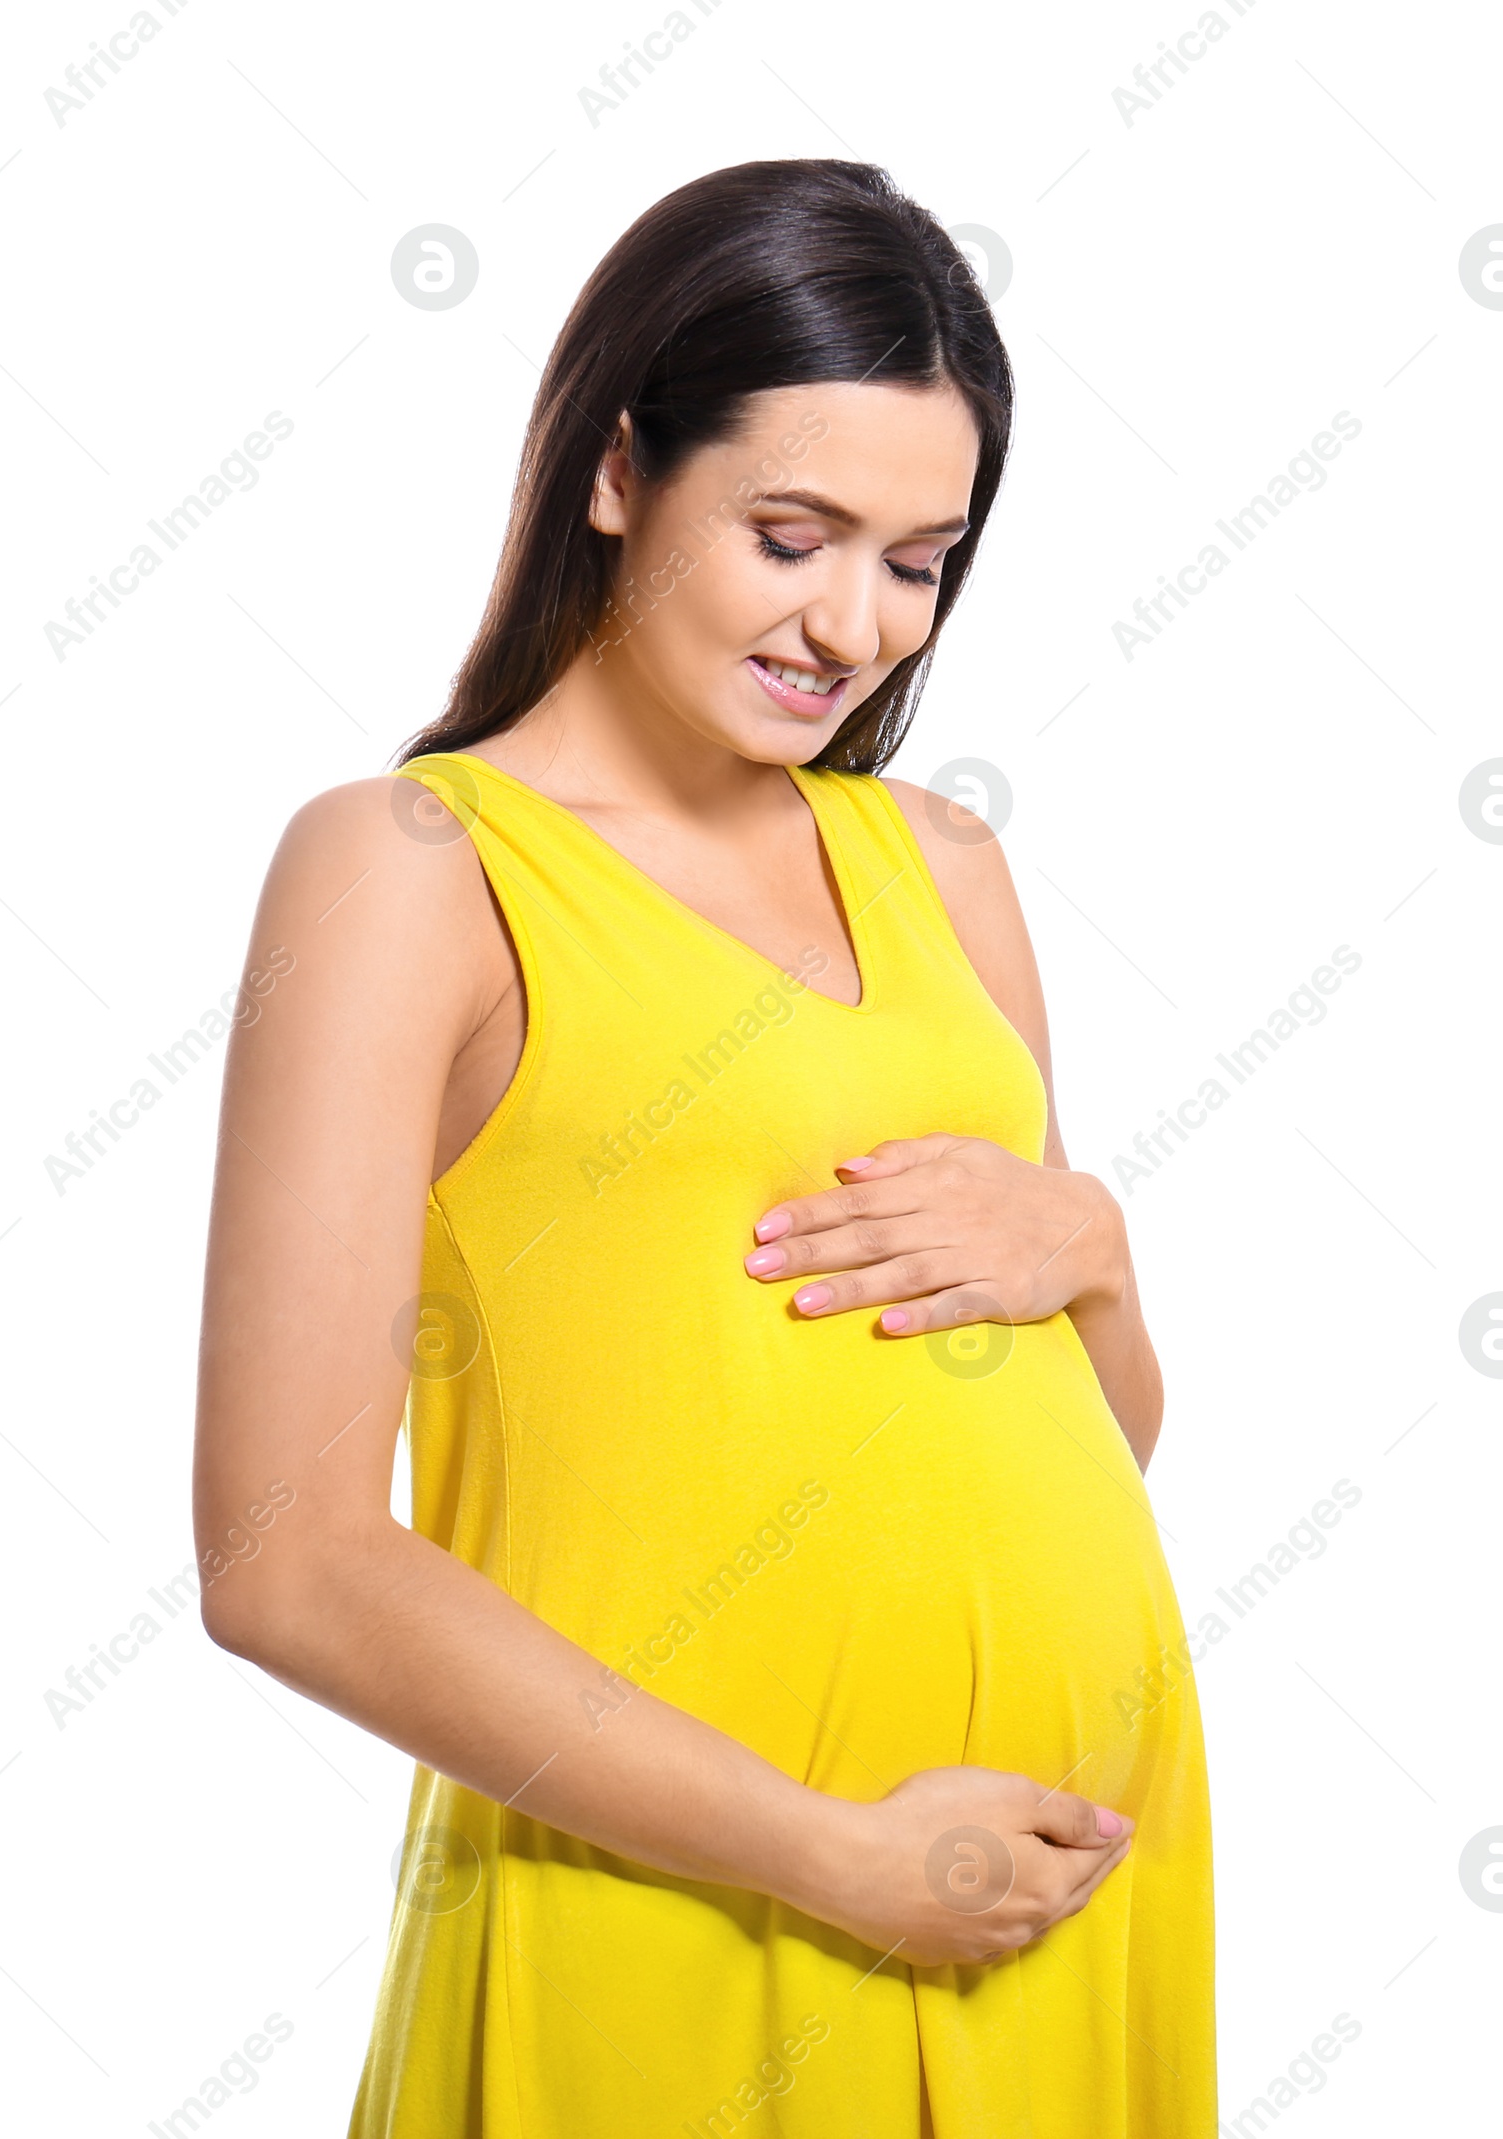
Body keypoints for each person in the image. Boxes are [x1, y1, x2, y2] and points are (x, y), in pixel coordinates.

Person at [193, 158, 1214, 2137]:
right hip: (678, 1900)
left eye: (916, 559)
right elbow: (284, 1556)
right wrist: (829, 1849)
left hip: (1063, 1892)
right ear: (613, 470)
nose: (851, 622)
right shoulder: (411, 869)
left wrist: (1088, 1246)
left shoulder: (939, 862)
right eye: (788, 531)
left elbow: (1103, 1435)